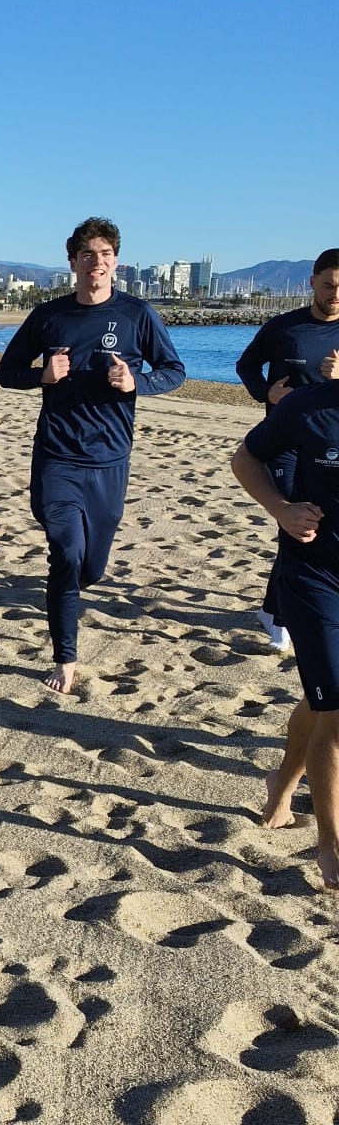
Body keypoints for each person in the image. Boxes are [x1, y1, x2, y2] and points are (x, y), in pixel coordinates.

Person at [0, 216, 184, 695]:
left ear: (115, 262)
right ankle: (66, 657)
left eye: (104, 255)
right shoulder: (49, 316)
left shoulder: (138, 314)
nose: (95, 263)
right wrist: (44, 374)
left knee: (91, 567)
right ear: (73, 262)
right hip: (57, 456)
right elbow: (7, 371)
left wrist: (136, 382)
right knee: (65, 551)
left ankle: (73, 590)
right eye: (87, 255)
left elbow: (174, 370)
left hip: (111, 461)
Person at [231, 338, 339, 888]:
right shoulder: (310, 407)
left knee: (322, 701)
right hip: (316, 576)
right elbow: (245, 457)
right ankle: (331, 846)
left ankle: (283, 783)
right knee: (338, 712)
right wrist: (281, 509)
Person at [234, 249, 339, 652]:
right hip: (283, 443)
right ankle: (277, 613)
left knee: (318, 525)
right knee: (292, 521)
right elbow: (246, 365)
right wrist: (266, 393)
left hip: (328, 447)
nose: (334, 293)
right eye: (327, 284)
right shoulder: (284, 327)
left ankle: (280, 606)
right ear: (312, 282)